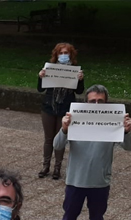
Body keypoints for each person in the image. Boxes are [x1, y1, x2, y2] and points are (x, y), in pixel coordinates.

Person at [50, 85, 131, 220]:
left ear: (106, 103)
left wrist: (127, 131)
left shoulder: (112, 122)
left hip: (99, 181)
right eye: (92, 101)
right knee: (68, 219)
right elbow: (57, 145)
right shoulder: (75, 120)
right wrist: (64, 128)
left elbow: (129, 147)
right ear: (85, 103)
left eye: (100, 101)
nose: (96, 104)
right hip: (75, 180)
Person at [37, 42, 85, 180]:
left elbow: (79, 91)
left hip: (65, 107)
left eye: (66, 53)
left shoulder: (75, 70)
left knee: (60, 138)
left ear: (71, 55)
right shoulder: (49, 68)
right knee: (48, 138)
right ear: (56, 55)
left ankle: (57, 167)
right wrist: (40, 77)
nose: (63, 56)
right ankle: (45, 166)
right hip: (49, 106)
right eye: (61, 53)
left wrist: (80, 80)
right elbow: (40, 89)